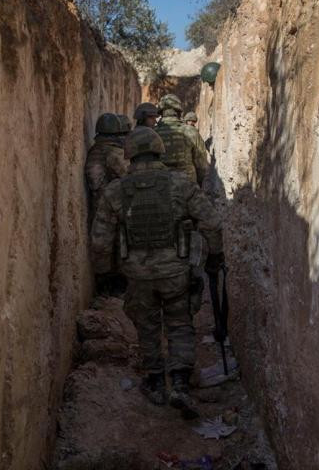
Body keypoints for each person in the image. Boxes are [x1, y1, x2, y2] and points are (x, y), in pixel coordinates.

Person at [90, 128, 224, 413]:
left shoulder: (116, 190)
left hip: (137, 275)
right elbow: (212, 222)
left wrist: (105, 274)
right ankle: (180, 383)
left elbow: (100, 240)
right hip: (176, 270)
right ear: (159, 150)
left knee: (147, 326)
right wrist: (214, 256)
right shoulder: (180, 184)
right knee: (179, 323)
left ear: (130, 154)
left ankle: (154, 382)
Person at [85, 113, 130, 294]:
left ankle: (106, 284)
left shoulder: (95, 150)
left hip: (99, 206)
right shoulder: (113, 152)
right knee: (119, 245)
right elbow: (129, 176)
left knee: (103, 246)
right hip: (112, 207)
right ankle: (116, 286)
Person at [154, 94, 208, 186]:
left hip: (159, 186)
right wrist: (198, 183)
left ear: (160, 112)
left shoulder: (152, 133)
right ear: (178, 111)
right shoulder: (190, 131)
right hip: (187, 185)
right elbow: (201, 164)